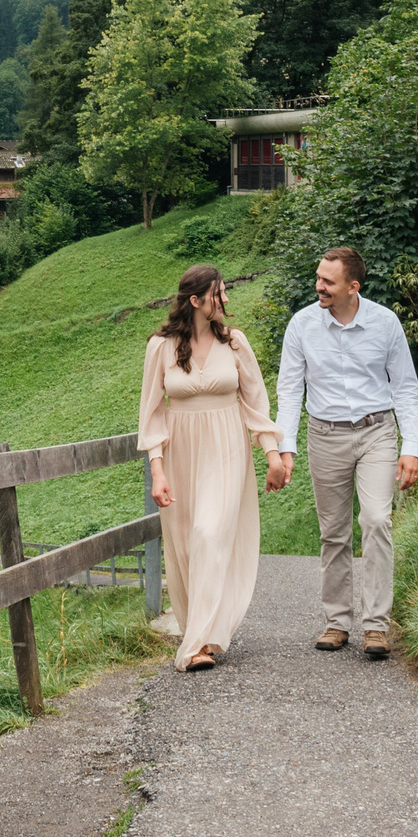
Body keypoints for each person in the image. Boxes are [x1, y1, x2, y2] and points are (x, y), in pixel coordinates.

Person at [269, 245, 418, 659]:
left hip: (377, 432)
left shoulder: (385, 323)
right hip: (325, 435)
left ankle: (376, 626)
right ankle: (337, 622)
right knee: (333, 533)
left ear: (353, 287)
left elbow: (405, 387)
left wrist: (411, 447)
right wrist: (287, 448)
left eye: (328, 282)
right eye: (319, 278)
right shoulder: (301, 325)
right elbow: (289, 390)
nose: (318, 286)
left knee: (376, 520)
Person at [138, 261, 280, 671]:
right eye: (220, 293)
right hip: (182, 451)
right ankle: (203, 633)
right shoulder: (160, 348)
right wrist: (158, 470)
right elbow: (151, 415)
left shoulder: (235, 343)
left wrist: (271, 453)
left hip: (227, 448)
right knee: (185, 543)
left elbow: (256, 404)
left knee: (208, 533)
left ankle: (193, 648)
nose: (227, 299)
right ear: (197, 301)